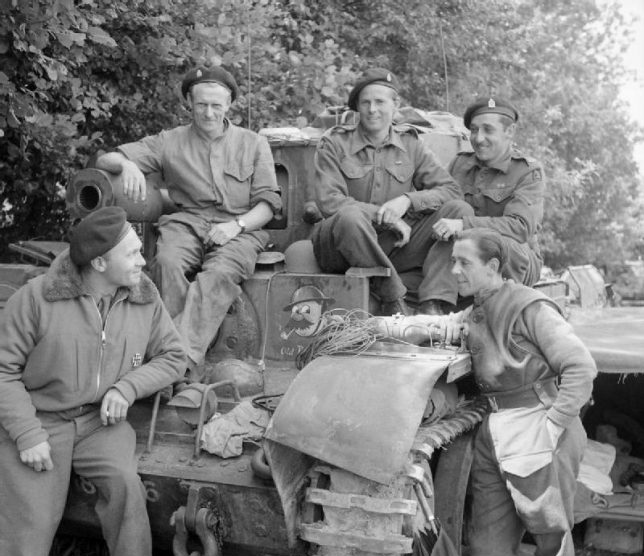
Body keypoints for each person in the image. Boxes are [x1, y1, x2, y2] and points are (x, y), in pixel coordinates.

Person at [0, 206, 187, 556]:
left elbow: (174, 356)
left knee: (126, 491)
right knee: (25, 531)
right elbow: (3, 370)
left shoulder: (144, 296)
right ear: (100, 263)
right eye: (134, 253)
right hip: (40, 420)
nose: (144, 261)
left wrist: (127, 388)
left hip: (100, 421)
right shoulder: (38, 298)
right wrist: (27, 434)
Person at [447, 228, 596, 556]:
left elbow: (581, 368)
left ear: (493, 267)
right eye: (452, 261)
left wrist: (551, 427)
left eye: (464, 262)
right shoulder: (477, 308)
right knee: (487, 547)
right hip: (495, 432)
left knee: (552, 546)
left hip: (539, 426)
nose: (454, 270)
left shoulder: (529, 306)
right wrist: (386, 325)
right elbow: (440, 325)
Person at [95, 65, 281, 380]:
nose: (208, 113)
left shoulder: (253, 143)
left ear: (229, 106)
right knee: (165, 262)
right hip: (186, 222)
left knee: (219, 274)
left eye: (216, 105)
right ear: (189, 104)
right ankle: (178, 359)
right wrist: (126, 165)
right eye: (201, 105)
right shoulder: (169, 141)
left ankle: (172, 362)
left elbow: (268, 205)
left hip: (241, 227)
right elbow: (105, 160)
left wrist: (235, 226)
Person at [312, 67, 462, 316]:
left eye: (380, 102)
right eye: (366, 103)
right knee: (350, 216)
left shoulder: (411, 145)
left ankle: (434, 302)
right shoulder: (334, 143)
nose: (372, 110)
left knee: (458, 210)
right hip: (341, 244)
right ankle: (394, 297)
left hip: (393, 245)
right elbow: (330, 202)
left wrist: (407, 201)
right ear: (357, 107)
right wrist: (385, 215)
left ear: (396, 105)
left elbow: (451, 190)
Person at [422, 97, 545, 314]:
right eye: (474, 130)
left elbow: (520, 228)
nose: (479, 139)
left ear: (510, 131)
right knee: (446, 229)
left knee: (498, 242)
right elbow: (442, 201)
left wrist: (464, 224)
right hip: (470, 255)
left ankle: (496, 312)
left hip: (517, 257)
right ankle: (434, 306)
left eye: (488, 130)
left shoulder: (527, 171)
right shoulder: (460, 164)